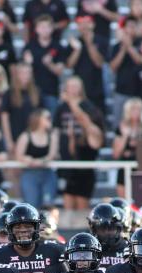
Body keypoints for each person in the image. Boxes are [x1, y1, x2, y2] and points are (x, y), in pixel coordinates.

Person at [55, 76, 105, 211]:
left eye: (76, 86)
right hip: (68, 162)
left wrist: (72, 103)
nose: (72, 89)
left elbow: (86, 122)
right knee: (68, 200)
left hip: (85, 163)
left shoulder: (88, 107)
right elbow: (56, 130)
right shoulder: (61, 108)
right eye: (70, 86)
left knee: (82, 205)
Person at [15, 107, 59, 208]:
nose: (50, 119)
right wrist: (30, 160)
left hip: (47, 173)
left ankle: (48, 224)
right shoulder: (26, 136)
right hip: (30, 174)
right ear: (38, 119)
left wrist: (34, 161)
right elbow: (19, 156)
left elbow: (52, 155)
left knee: (48, 205)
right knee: (31, 205)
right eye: (47, 117)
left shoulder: (52, 136)